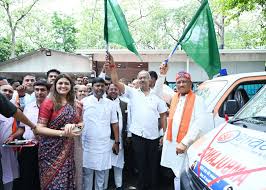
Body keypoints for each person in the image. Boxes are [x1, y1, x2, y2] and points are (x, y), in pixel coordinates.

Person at [107, 54, 167, 190]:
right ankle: (141, 186)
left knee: (153, 165)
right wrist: (113, 66)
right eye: (140, 78)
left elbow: (163, 116)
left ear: (150, 80)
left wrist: (164, 134)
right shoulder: (132, 93)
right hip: (137, 136)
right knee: (140, 165)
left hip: (153, 137)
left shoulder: (156, 96)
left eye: (144, 77)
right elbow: (116, 82)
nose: (142, 80)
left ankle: (153, 187)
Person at [158, 65, 212, 190]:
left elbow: (200, 124)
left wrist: (185, 142)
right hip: (172, 143)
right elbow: (156, 92)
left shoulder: (198, 100)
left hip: (186, 145)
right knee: (176, 173)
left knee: (181, 174)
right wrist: (162, 75)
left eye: (184, 82)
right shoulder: (174, 98)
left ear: (190, 84)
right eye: (178, 82)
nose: (181, 84)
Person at [33, 74, 83, 190]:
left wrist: (74, 127)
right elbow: (39, 128)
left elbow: (81, 125)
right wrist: (62, 133)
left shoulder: (77, 105)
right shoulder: (48, 103)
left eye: (66, 83)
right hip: (49, 151)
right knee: (52, 183)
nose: (63, 86)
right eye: (60, 83)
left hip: (68, 150)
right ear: (55, 86)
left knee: (67, 180)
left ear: (71, 86)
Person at [8, 80, 50, 190]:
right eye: (37, 90)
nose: (39, 92)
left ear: (48, 91)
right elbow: (22, 128)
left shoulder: (53, 108)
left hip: (47, 148)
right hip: (28, 148)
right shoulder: (28, 107)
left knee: (44, 177)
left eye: (42, 90)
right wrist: (13, 136)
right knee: (27, 177)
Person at [82, 77, 119, 190]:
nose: (100, 88)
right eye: (97, 85)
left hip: (103, 144)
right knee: (87, 174)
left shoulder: (110, 103)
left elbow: (114, 123)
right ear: (92, 87)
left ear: (105, 88)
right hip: (87, 144)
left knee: (101, 173)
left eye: (102, 86)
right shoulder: (83, 102)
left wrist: (117, 142)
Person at [104, 84, 128, 190]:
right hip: (105, 139)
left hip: (120, 139)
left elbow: (128, 120)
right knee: (105, 165)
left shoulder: (124, 104)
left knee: (119, 164)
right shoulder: (103, 103)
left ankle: (119, 186)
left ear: (119, 91)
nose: (113, 91)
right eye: (111, 89)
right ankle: (103, 187)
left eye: (115, 89)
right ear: (107, 90)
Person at [0, 85, 19, 190]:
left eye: (10, 91)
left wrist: (13, 136)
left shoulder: (14, 109)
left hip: (9, 149)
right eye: (4, 90)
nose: (7, 93)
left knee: (9, 175)